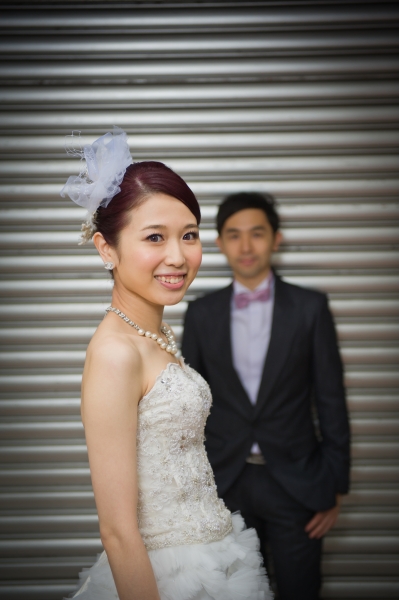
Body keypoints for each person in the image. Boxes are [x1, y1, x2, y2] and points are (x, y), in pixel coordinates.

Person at [60, 129, 272, 600]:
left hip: (215, 553)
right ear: (105, 248)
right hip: (169, 576)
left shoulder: (154, 333)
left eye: (189, 235)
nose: (178, 256)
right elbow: (117, 531)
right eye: (155, 237)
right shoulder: (115, 352)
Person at [182, 192, 350, 600]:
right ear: (219, 243)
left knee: (300, 590)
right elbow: (189, 408)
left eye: (257, 233)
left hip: (296, 483)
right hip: (226, 484)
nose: (246, 245)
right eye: (234, 235)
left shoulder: (310, 308)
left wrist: (333, 487)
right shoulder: (201, 314)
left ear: (275, 239)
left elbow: (330, 398)